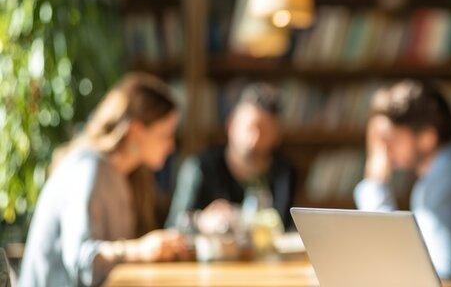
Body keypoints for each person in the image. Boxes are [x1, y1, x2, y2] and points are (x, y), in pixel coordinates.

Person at [19, 73, 188, 287]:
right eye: (165, 134)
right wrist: (139, 250)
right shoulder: (88, 169)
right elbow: (83, 261)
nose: (171, 146)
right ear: (136, 131)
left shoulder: (128, 176)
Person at [354, 80, 451, 283]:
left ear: (427, 138)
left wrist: (375, 186)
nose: (382, 151)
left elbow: (436, 276)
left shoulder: (446, 180)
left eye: (389, 139)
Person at [167, 83, 297, 231]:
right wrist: (200, 221)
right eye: (251, 128)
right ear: (231, 125)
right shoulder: (200, 168)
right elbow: (174, 226)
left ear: (277, 135)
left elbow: (287, 227)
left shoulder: (284, 172)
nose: (255, 139)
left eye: (266, 131)